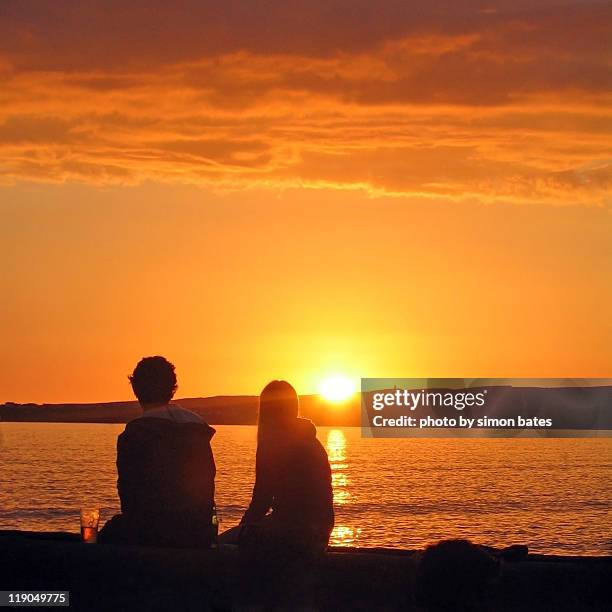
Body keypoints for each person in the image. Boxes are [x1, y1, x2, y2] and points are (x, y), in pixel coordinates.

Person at [99, 356, 216, 548]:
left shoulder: (135, 434)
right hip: (197, 531)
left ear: (135, 389)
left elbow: (129, 496)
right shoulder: (197, 429)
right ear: (172, 389)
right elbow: (207, 484)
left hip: (153, 532)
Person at [230, 380, 334, 557]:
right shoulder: (313, 442)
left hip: (291, 533)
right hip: (320, 532)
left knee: (222, 544)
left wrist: (243, 528)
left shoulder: (273, 443)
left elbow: (261, 500)